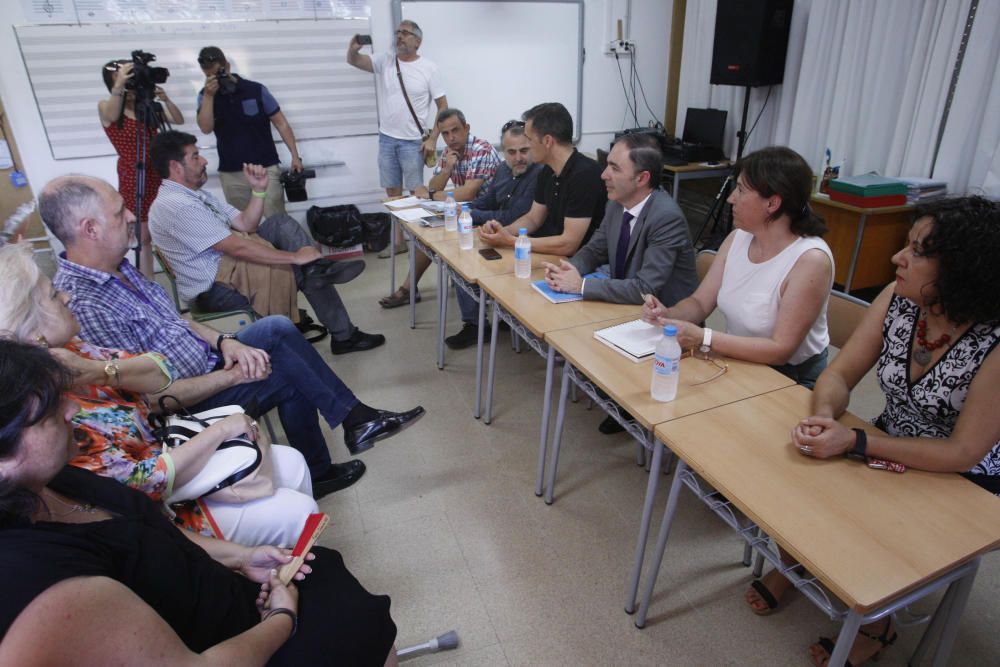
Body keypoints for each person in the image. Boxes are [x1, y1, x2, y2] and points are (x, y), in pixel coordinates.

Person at [0, 340, 399, 665]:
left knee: (324, 569)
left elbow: (155, 533)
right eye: (50, 411)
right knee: (358, 624)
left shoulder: (53, 479)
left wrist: (240, 557)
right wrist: (281, 619)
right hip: (223, 644)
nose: (71, 408)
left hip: (224, 600)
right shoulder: (37, 581)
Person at [41, 174, 425, 490]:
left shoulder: (118, 267)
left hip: (210, 363)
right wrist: (230, 375)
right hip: (188, 404)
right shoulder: (84, 306)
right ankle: (336, 447)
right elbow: (153, 401)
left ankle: (353, 424)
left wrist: (225, 341)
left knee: (276, 329)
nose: (129, 216)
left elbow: (177, 321)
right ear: (89, 229)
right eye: (118, 211)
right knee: (289, 370)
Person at [789, 195, 1000, 667]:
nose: (896, 259)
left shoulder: (994, 340)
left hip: (967, 474)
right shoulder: (899, 298)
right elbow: (839, 376)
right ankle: (802, 563)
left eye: (918, 251)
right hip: (893, 435)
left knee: (879, 528)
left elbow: (964, 451)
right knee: (802, 482)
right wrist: (825, 414)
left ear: (961, 270)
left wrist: (858, 442)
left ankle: (877, 625)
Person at [0, 243, 321, 546]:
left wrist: (97, 370)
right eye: (54, 296)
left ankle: (290, 572)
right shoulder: (45, 408)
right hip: (157, 510)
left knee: (292, 462)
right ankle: (272, 580)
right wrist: (222, 429)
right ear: (33, 332)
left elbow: (159, 372)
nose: (67, 297)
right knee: (298, 510)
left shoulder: (73, 349)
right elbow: (139, 484)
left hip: (169, 450)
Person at [149, 130, 383, 355]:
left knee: (279, 223)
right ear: (175, 167)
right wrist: (294, 257)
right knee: (295, 268)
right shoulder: (175, 204)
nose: (204, 162)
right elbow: (236, 246)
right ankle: (343, 332)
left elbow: (246, 225)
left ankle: (316, 269)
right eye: (195, 156)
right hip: (215, 290)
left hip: (229, 268)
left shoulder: (197, 195)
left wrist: (258, 191)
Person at [642, 146, 834, 389]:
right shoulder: (738, 238)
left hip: (790, 377)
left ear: (772, 203)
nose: (731, 198)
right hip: (740, 360)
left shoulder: (810, 260)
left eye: (741, 190)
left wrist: (704, 338)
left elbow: (780, 350)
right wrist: (669, 314)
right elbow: (700, 303)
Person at [543, 133, 698, 307]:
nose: (604, 175)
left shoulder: (666, 218)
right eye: (607, 165)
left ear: (642, 178)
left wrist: (581, 285)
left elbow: (645, 288)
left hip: (667, 318)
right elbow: (595, 250)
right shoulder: (615, 204)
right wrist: (569, 269)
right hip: (626, 307)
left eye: (615, 169)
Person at [380, 108, 501, 309]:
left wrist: (429, 194)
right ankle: (409, 288)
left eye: (455, 130)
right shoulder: (448, 152)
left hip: (490, 213)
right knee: (426, 234)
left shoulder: (482, 149)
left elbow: (469, 192)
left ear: (467, 128)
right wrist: (447, 169)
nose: (451, 137)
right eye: (445, 133)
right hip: (466, 211)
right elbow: (436, 185)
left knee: (439, 234)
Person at [347, 22, 448, 257]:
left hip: (413, 142)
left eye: (405, 33)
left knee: (416, 193)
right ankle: (399, 241)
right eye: (398, 33)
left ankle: (420, 241)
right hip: (387, 139)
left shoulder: (429, 68)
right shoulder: (386, 60)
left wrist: (433, 139)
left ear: (417, 41)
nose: (400, 37)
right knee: (392, 192)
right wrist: (353, 49)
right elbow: (355, 61)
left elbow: (442, 106)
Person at [444, 119, 543, 349]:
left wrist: (475, 215)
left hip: (522, 241)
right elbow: (487, 200)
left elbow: (514, 216)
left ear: (532, 148)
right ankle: (476, 323)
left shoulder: (539, 174)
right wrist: (466, 209)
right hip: (499, 234)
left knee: (466, 259)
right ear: (503, 152)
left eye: (524, 151)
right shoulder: (502, 169)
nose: (518, 158)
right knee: (459, 256)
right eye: (511, 152)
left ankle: (478, 324)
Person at [479, 102, 607, 257]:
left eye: (529, 140)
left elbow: (569, 244)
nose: (528, 145)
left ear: (547, 141)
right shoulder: (547, 170)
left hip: (579, 264)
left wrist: (510, 241)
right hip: (553, 256)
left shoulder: (584, 175)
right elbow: (533, 219)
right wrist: (501, 232)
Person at [98, 59, 184, 279]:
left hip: (158, 173)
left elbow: (177, 119)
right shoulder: (106, 106)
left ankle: (184, 279)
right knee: (143, 238)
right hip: (134, 177)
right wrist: (120, 84)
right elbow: (111, 115)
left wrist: (166, 100)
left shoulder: (145, 109)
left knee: (168, 231)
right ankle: (148, 284)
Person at [196, 46, 302, 219]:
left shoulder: (255, 90)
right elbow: (205, 128)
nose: (213, 78)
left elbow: (281, 123)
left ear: (227, 66)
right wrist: (209, 96)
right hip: (232, 173)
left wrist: (295, 156)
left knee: (276, 221)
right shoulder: (205, 96)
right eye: (208, 75)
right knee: (243, 226)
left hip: (265, 168)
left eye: (217, 73)